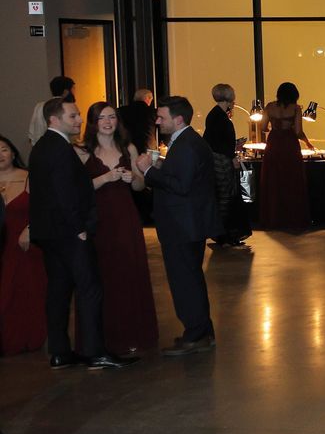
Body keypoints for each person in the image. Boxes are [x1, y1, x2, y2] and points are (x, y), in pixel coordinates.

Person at [30, 97, 120, 370]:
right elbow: (64, 194)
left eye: (79, 115)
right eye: (73, 116)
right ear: (54, 120)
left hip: (49, 233)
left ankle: (60, 352)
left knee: (58, 289)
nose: (80, 120)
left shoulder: (42, 147)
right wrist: (78, 228)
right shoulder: (58, 148)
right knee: (89, 287)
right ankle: (94, 351)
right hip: (68, 232)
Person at [140, 98, 220, 357]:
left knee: (185, 281)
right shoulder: (187, 142)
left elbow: (181, 186)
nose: (157, 121)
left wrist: (149, 171)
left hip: (182, 225)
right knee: (191, 278)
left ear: (179, 119)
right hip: (187, 223)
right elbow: (183, 178)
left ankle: (196, 334)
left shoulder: (186, 145)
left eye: (161, 117)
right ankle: (202, 331)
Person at [80, 102, 159, 357]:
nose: (107, 121)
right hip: (98, 219)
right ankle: (105, 338)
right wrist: (105, 179)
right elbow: (76, 191)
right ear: (93, 122)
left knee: (129, 271)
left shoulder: (129, 148)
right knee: (103, 276)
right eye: (101, 117)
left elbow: (139, 186)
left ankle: (133, 334)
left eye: (112, 117)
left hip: (125, 217)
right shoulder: (82, 152)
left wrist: (132, 179)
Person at [0, 134, 47, 356]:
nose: (0, 155)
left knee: (27, 293)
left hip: (24, 245)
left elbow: (44, 208)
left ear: (13, 153)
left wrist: (30, 229)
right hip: (2, 247)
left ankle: (29, 337)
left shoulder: (29, 177)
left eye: (4, 149)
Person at [257, 82, 313, 230]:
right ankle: (292, 218)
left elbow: (263, 128)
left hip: (274, 143)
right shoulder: (296, 109)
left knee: (273, 180)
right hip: (289, 145)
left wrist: (273, 127)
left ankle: (273, 218)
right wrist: (307, 143)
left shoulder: (269, 107)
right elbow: (298, 132)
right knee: (292, 180)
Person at [203, 85, 251, 249]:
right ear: (229, 98)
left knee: (223, 196)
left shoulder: (213, 115)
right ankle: (223, 233)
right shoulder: (221, 118)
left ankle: (222, 233)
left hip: (217, 159)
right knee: (226, 196)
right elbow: (221, 144)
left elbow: (215, 140)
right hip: (221, 161)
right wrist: (232, 154)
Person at [25, 76, 73, 147]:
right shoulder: (67, 107)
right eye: (73, 90)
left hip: (38, 148)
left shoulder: (39, 106)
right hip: (59, 148)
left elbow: (31, 135)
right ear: (65, 92)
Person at [119, 87, 158, 154]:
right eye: (151, 100)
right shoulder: (152, 112)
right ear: (147, 98)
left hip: (126, 148)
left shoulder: (121, 111)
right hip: (147, 149)